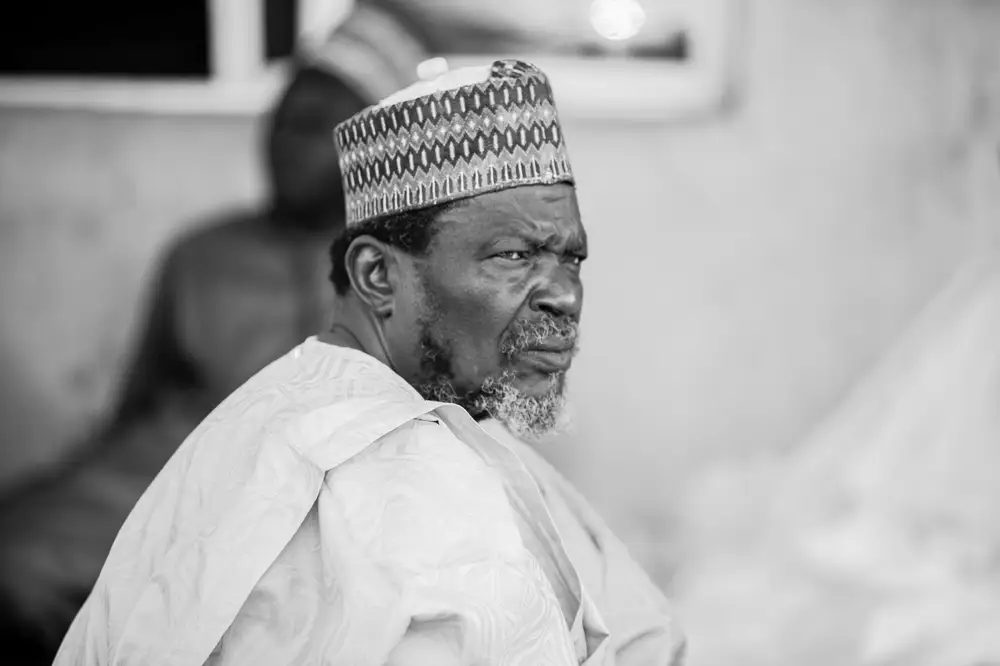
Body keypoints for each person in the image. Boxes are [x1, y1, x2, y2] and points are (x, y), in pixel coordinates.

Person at [53, 59, 686, 665]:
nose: (566, 295)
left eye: (571, 258)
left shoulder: (286, 412)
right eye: (515, 255)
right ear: (377, 274)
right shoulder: (396, 476)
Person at [0, 4, 430, 661]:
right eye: (282, 120)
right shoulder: (203, 254)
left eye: (314, 125)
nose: (283, 141)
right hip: (152, 493)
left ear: (378, 152)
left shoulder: (404, 280)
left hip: (284, 528)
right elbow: (135, 411)